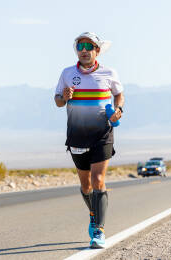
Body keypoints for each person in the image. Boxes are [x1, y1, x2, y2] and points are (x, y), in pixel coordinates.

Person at [54, 32, 124, 248]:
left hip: (102, 134)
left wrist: (118, 109)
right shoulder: (67, 73)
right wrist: (64, 97)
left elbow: (119, 94)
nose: (84, 50)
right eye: (80, 46)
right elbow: (57, 102)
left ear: (97, 50)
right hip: (77, 135)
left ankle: (98, 229)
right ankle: (94, 212)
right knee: (86, 186)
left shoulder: (108, 73)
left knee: (98, 181)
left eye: (88, 46)